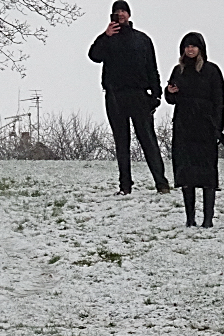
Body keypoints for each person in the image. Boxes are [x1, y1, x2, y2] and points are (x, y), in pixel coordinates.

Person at [88, 1, 170, 195]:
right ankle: (125, 186)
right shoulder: (108, 39)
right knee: (121, 142)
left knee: (148, 140)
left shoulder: (142, 40)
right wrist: (105, 36)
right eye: (117, 12)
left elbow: (152, 68)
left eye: (123, 11)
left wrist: (156, 94)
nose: (120, 14)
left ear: (129, 14)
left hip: (139, 95)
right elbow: (94, 56)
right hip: (114, 95)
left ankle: (161, 183)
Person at [164, 32, 224, 228]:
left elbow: (219, 101)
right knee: (186, 175)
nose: (190, 49)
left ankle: (208, 219)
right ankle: (190, 219)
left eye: (194, 46)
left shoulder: (211, 71)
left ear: (200, 48)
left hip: (205, 127)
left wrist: (218, 127)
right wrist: (169, 92)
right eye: (187, 46)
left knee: (207, 174)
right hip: (183, 127)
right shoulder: (178, 71)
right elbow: (172, 99)